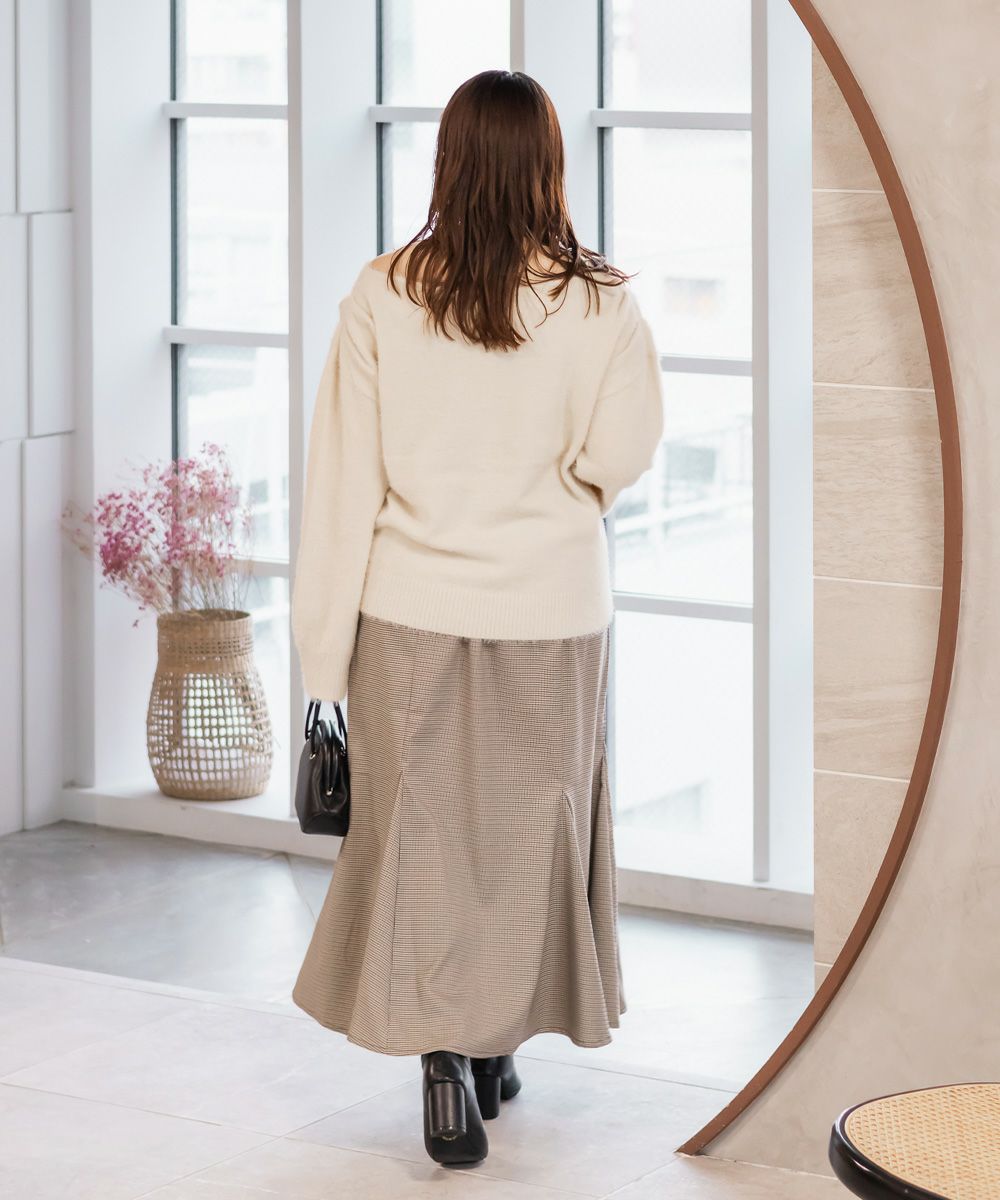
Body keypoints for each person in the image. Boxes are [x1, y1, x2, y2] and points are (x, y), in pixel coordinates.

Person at [289, 68, 663, 1167]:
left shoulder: (384, 294)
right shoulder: (602, 303)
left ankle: (449, 1057)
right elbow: (623, 452)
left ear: (447, 161)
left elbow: (341, 488)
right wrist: (560, 502)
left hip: (407, 614)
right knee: (531, 835)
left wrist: (321, 667)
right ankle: (493, 1042)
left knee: (421, 836)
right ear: (549, 163)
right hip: (555, 609)